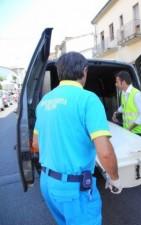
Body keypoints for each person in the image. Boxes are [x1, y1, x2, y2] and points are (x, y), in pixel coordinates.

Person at [32, 52, 121, 225]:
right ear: (85, 71)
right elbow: (105, 153)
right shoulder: (88, 99)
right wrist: (114, 178)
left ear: (59, 72)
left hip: (47, 183)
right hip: (73, 190)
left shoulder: (44, 102)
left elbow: (36, 144)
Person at [112, 70, 141, 139]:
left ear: (123, 82)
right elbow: (124, 106)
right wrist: (116, 112)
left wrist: (129, 129)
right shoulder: (123, 93)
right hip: (130, 132)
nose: (115, 84)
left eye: (117, 82)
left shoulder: (137, 95)